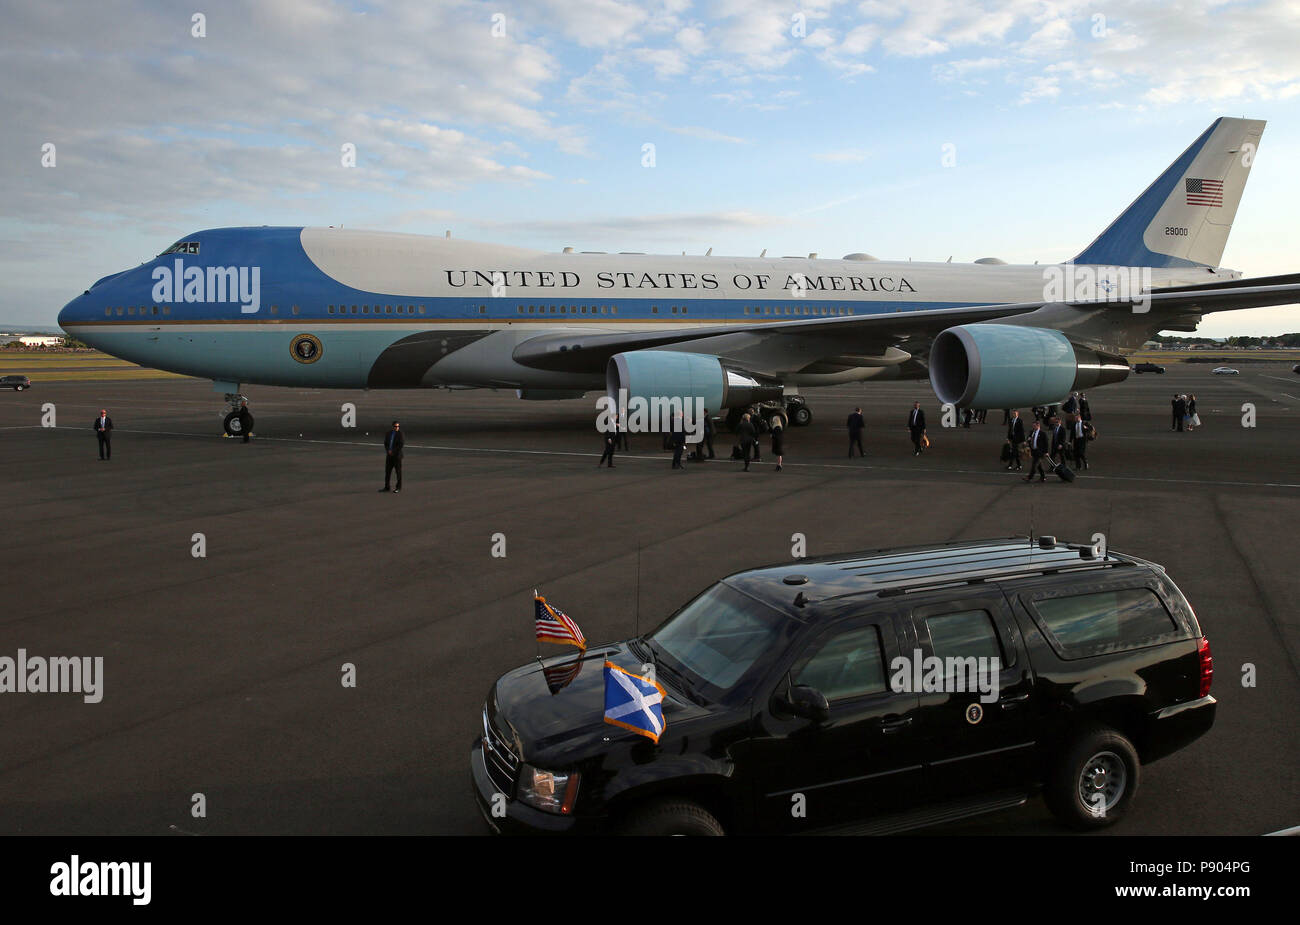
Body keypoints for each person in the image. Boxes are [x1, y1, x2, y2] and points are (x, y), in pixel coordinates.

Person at [380, 420, 404, 492]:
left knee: (398, 472)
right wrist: (388, 451)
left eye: (398, 426)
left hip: (397, 456)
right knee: (387, 472)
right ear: (392, 427)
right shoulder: (388, 433)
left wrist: (392, 451)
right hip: (389, 456)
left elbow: (401, 444)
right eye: (396, 426)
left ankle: (398, 488)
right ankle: (387, 487)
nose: (397, 427)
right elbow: (385, 443)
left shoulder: (400, 434)